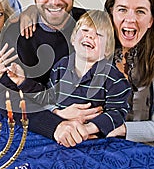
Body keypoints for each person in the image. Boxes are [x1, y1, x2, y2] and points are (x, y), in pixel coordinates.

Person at [54, 0, 154, 152]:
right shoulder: (91, 46)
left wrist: (120, 129)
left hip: (149, 148)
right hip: (96, 145)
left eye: (140, 11)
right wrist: (29, 13)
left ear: (151, 20)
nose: (130, 19)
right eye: (122, 10)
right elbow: (59, 14)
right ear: (110, 14)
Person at [8, 10, 131, 138]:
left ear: (107, 49)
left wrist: (88, 129)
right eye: (85, 30)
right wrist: (23, 81)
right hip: (62, 134)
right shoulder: (61, 67)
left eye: (98, 34)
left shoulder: (114, 78)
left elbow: (117, 113)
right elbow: (48, 98)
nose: (89, 36)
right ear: (73, 39)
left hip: (93, 139)